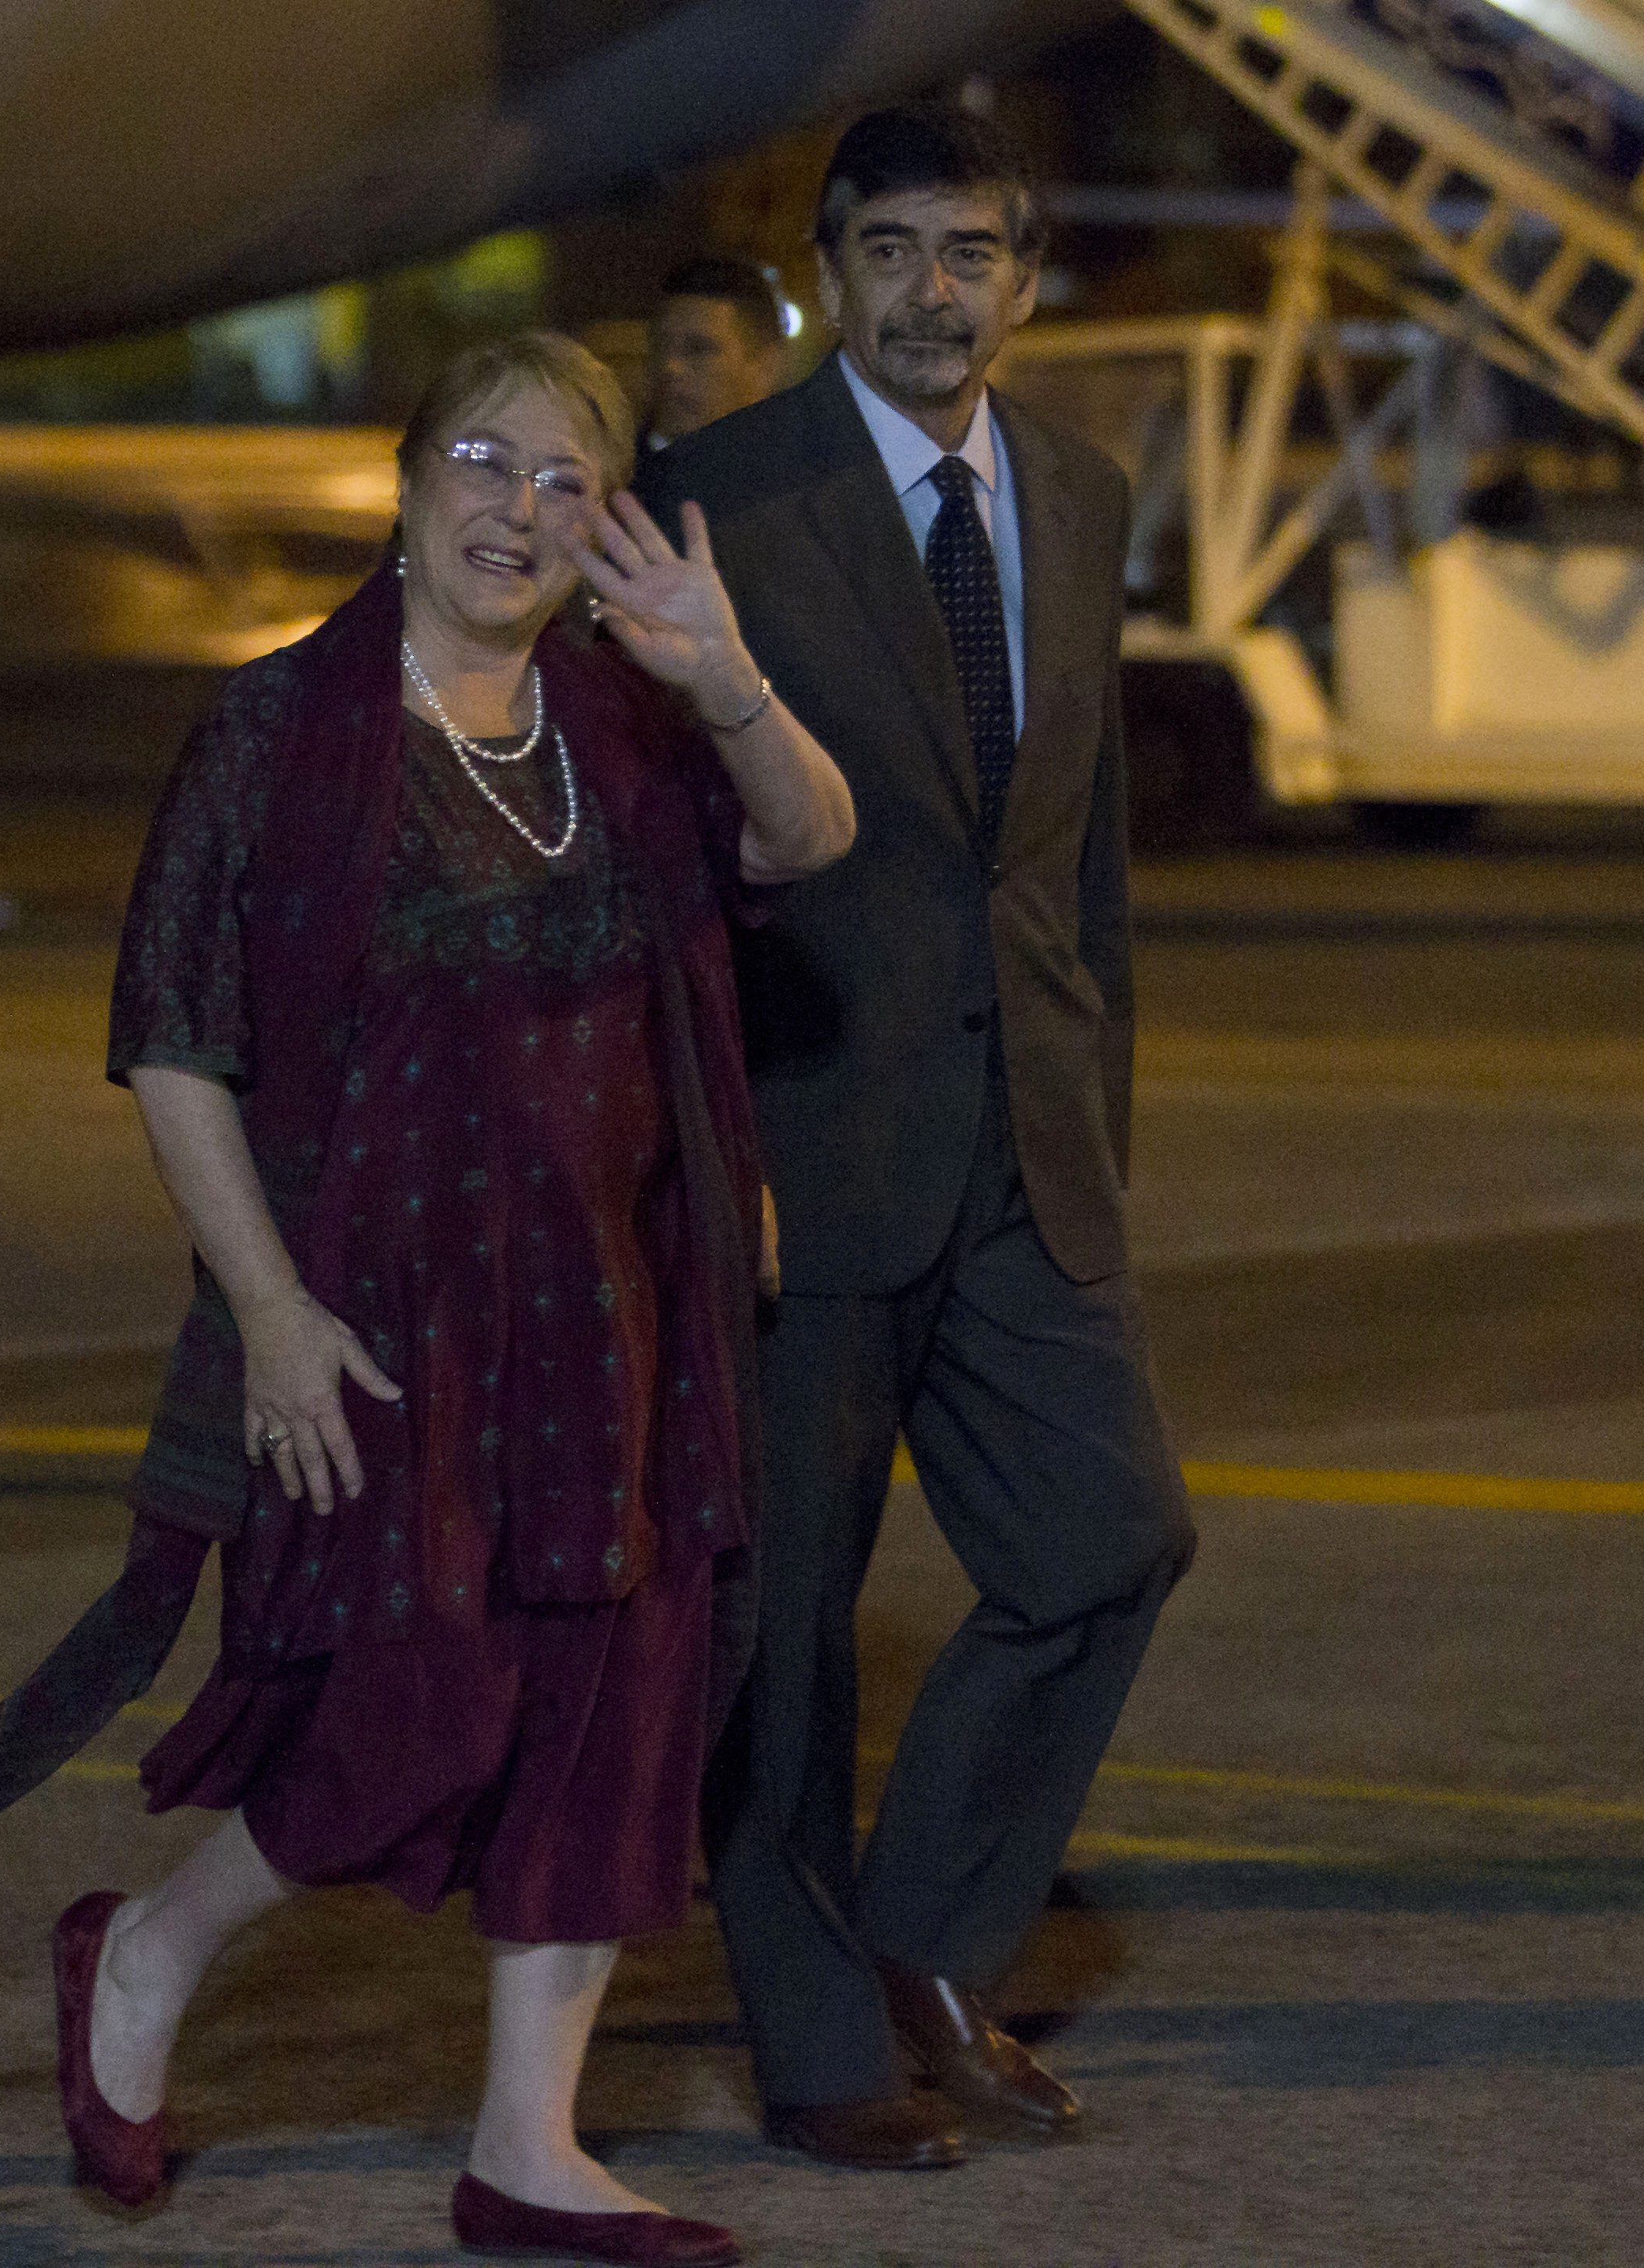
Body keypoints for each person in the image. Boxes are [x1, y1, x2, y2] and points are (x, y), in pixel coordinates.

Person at [0, 334, 853, 2266]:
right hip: (385, 1313)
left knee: (610, 1692)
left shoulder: (627, 719)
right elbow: (173, 1040)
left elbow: (810, 836)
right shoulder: (274, 735)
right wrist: (265, 1307)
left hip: (618, 1302)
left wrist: (722, 673)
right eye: (480, 463)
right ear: (404, 485)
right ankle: (147, 1942)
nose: (514, 508)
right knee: (418, 1705)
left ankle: (529, 2143)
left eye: (562, 478)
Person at [642, 103, 1198, 2170]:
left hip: (1026, 1146)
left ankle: (925, 1938)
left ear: (1026, 282)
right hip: (803, 1150)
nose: (932, 291)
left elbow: (1084, 855)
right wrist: (703, 1150)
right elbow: (670, 858)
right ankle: (818, 2046)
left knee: (1109, 1534)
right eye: (892, 251)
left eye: (972, 253)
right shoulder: (716, 492)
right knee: (782, 1637)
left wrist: (1097, 1127)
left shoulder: (1080, 486)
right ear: (832, 270)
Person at [645, 257, 788, 449]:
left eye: (698, 349)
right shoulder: (618, 473)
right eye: (659, 346)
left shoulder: (814, 475)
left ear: (766, 367)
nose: (670, 367)